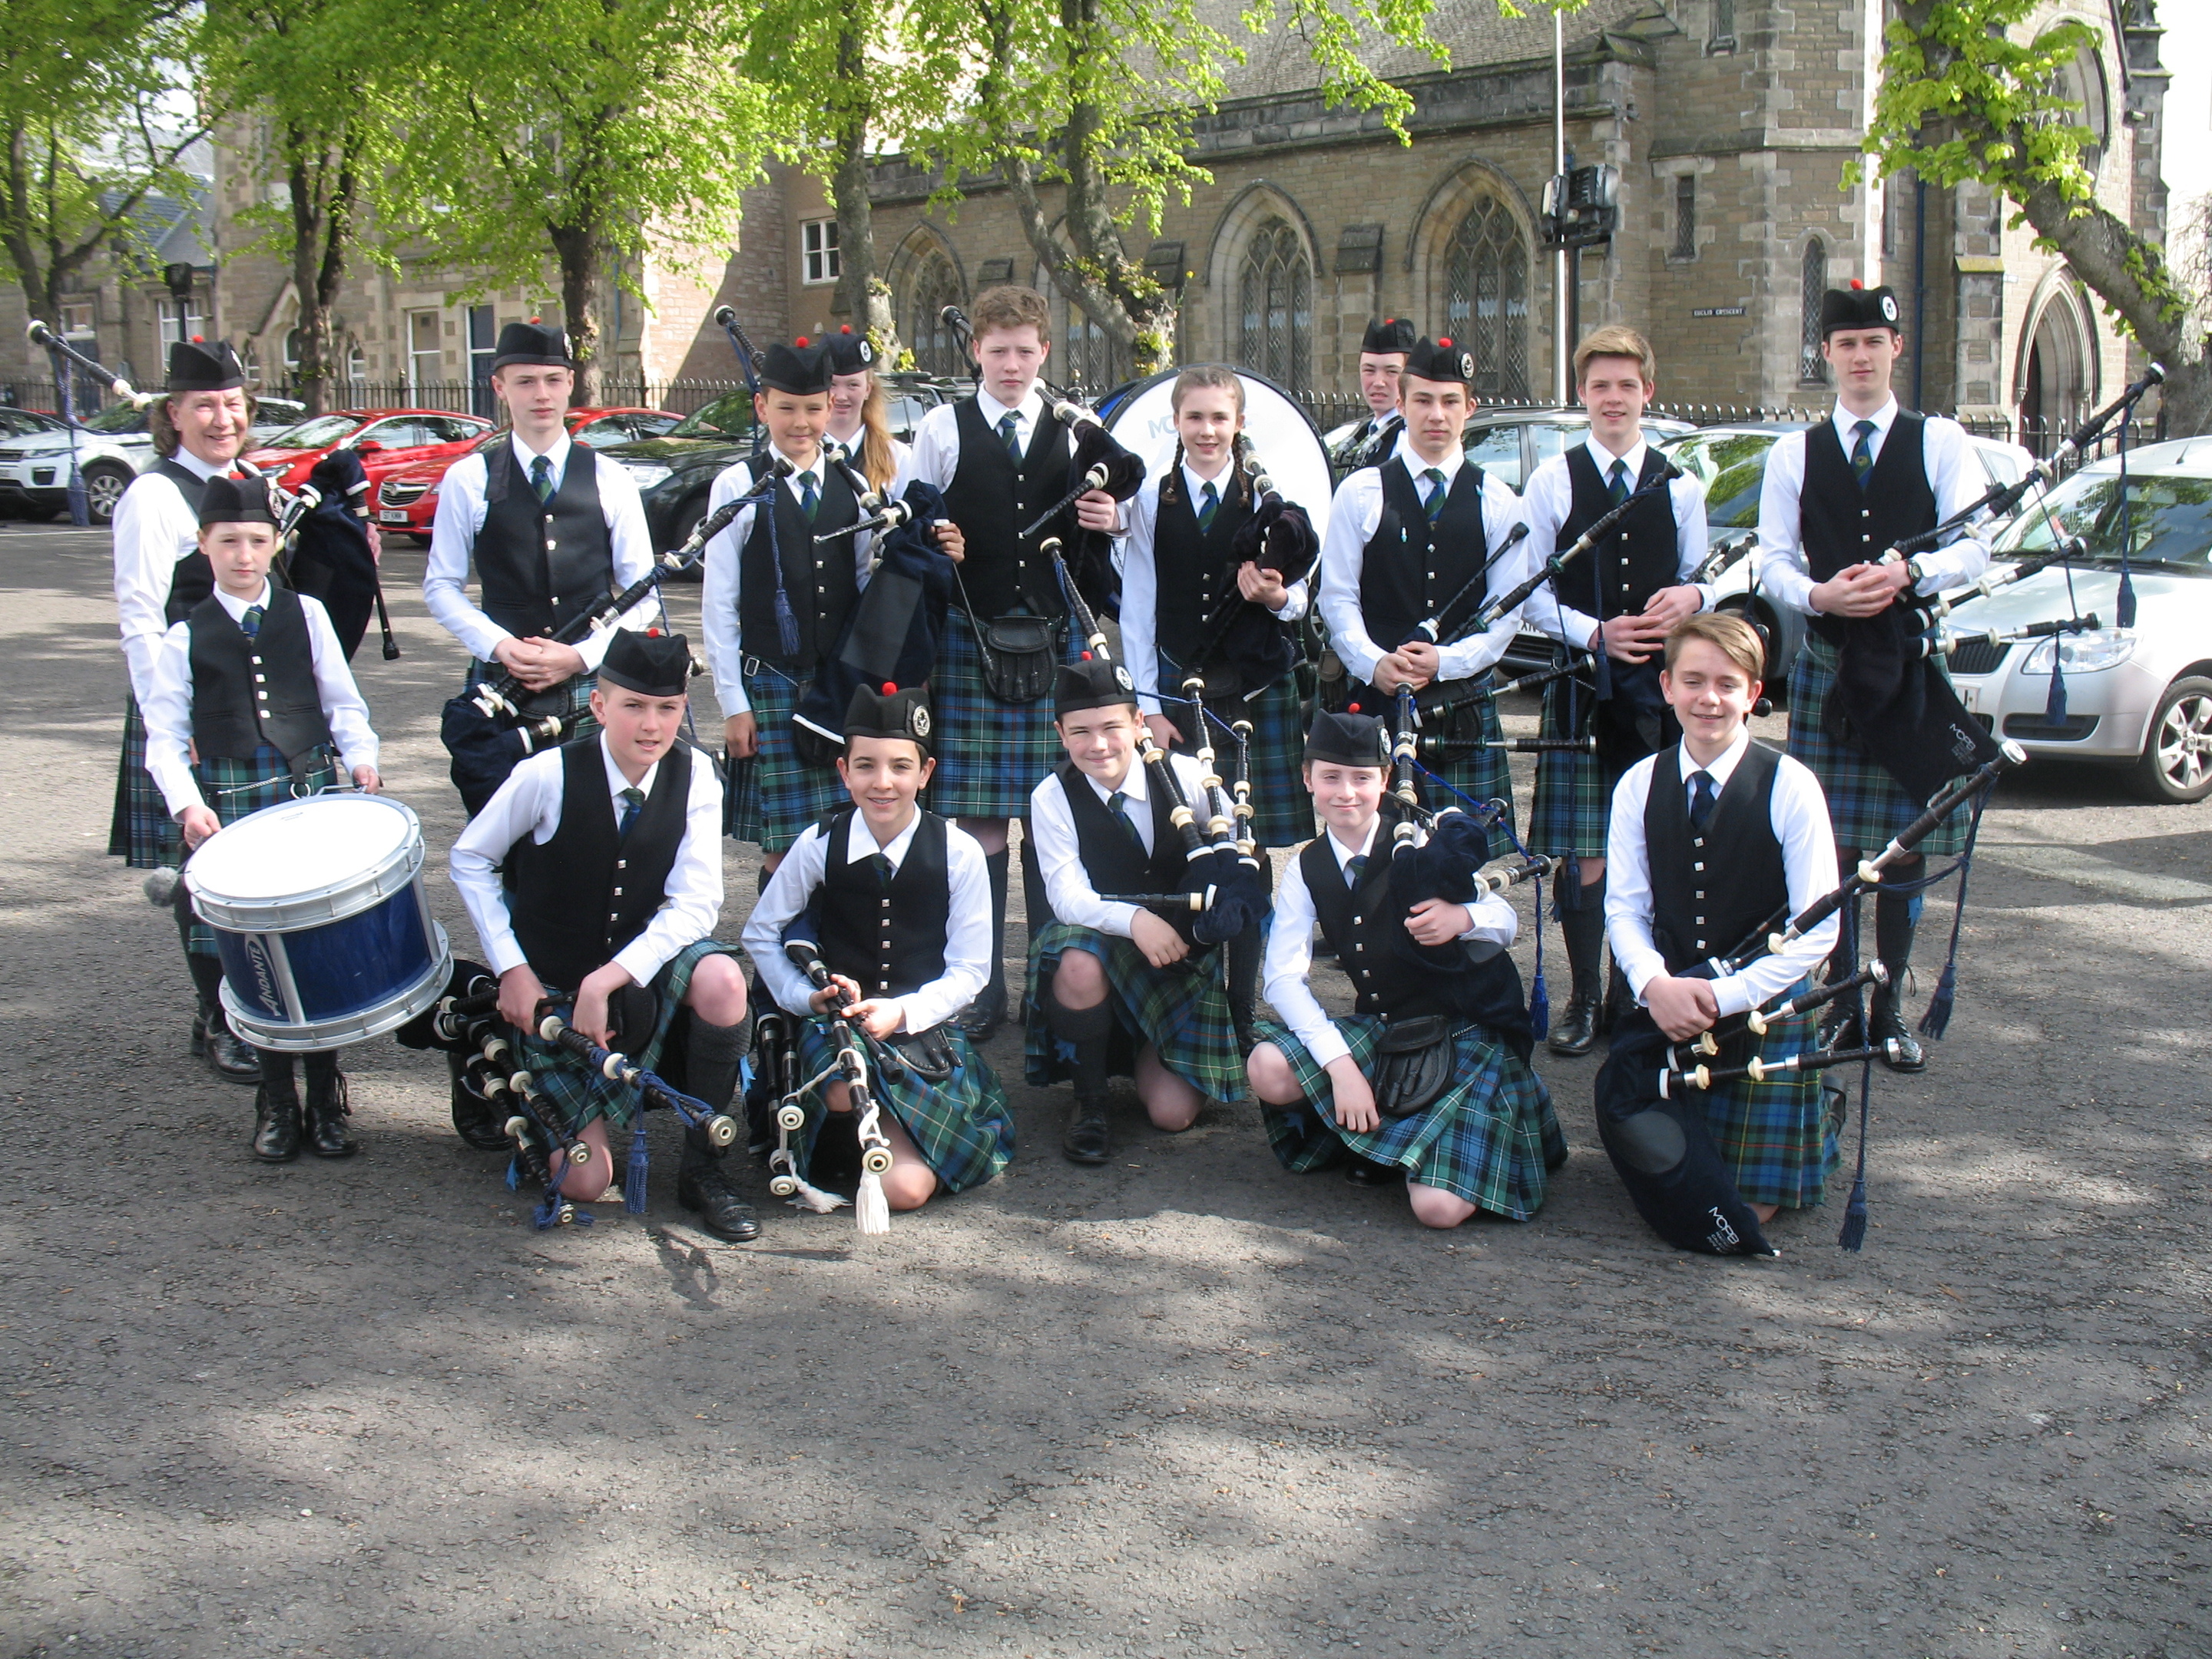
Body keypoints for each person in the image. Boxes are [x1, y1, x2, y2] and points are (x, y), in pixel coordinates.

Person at [448, 629, 757, 1242]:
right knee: (585, 1182)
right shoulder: (546, 774)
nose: (652, 725)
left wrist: (613, 976)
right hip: (552, 982)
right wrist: (513, 967)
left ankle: (704, 1165)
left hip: (633, 977)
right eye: (634, 706)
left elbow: (697, 903)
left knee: (723, 979)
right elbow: (469, 858)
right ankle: (486, 1049)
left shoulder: (695, 773)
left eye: (668, 708)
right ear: (598, 706)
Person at [1754, 282, 1993, 1071]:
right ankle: (1843, 1005)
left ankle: (1889, 1008)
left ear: (1896, 349)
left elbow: (1975, 545)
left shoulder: (1941, 442)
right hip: (1830, 664)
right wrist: (1818, 593)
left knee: (1906, 846)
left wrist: (1909, 572)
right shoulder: (1796, 453)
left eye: (1874, 343)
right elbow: (1775, 562)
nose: (1861, 357)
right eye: (1846, 344)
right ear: (1827, 355)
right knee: (1833, 847)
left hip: (1907, 666)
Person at [1246, 710, 1565, 1227]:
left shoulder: (1421, 839)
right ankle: (1391, 1139)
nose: (1345, 792)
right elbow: (1282, 979)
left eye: (1361, 778)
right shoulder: (1308, 868)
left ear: (1384, 781)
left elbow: (1504, 920)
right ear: (1307, 778)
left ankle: (1494, 1116)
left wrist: (1461, 917)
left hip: (1470, 1031)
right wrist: (1340, 1066)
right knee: (1269, 1068)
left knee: (1436, 1209)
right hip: (1391, 1028)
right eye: (1330, 777)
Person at [141, 476, 382, 1161]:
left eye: (256, 541)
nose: (244, 556)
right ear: (203, 546)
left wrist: (362, 760)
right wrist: (189, 803)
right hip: (231, 804)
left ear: (276, 541)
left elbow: (345, 704)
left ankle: (328, 1095)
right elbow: (162, 736)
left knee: (314, 946)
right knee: (253, 958)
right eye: (228, 543)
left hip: (307, 793)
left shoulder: (306, 614)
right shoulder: (182, 637)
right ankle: (276, 1097)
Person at [902, 284, 1120, 1035]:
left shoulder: (1077, 429)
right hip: (971, 634)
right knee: (982, 826)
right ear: (976, 352)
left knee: (1053, 817)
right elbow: (905, 528)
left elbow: (1124, 515)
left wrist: (1111, 518)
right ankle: (984, 985)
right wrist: (934, 539)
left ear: (1045, 351)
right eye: (998, 351)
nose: (1012, 364)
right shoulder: (940, 429)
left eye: (1026, 350)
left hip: (1056, 637)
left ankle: (1048, 986)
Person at [1601, 613, 1842, 1224]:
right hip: (1671, 1006)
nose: (1709, 698)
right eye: (1693, 681)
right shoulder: (1637, 785)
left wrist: (1724, 995)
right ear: (1666, 687)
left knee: (1739, 1210)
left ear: (1755, 695)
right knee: (1663, 1184)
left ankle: (1813, 1120)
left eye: (1728, 684)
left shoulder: (1792, 785)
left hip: (1760, 1012)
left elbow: (1820, 926)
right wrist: (1656, 986)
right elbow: (1626, 910)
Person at [742, 684, 1015, 1209]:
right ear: (844, 772)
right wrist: (803, 998)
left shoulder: (959, 853)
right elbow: (760, 933)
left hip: (920, 1032)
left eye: (900, 766)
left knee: (907, 1191)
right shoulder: (819, 843)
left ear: (925, 772)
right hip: (834, 1026)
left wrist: (902, 1012)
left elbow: (971, 970)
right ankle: (836, 1136)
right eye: (865, 766)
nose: (883, 782)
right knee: (843, 1086)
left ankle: (867, 1143)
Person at [1519, 326, 1714, 1055]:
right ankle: (1584, 998)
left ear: (1648, 393)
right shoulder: (1554, 480)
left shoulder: (1681, 483)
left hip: (1663, 696)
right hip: (1582, 683)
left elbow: (1706, 578)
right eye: (1600, 385)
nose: (1613, 398)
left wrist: (1692, 597)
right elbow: (1526, 592)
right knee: (1586, 854)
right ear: (1583, 394)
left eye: (1626, 385)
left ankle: (1637, 993)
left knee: (1653, 848)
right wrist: (1594, 632)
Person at [1114, 363, 1311, 1044]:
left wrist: (1278, 598)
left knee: (1249, 847)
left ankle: (1242, 1006)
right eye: (1195, 417)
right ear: (1175, 421)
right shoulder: (1150, 501)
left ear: (1240, 424)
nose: (1207, 430)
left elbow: (1303, 597)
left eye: (1219, 418)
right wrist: (1147, 704)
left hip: (1254, 691)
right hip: (1178, 691)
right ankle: (1191, 992)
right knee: (1191, 840)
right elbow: (1136, 609)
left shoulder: (1271, 502)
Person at [111, 337, 268, 1081]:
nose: (220, 417)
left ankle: (259, 1004)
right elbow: (141, 619)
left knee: (261, 868)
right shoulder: (155, 496)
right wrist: (168, 728)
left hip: (259, 708)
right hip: (189, 705)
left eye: (233, 404)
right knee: (206, 867)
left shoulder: (252, 482)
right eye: (204, 404)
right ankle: (217, 1017)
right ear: (172, 414)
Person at [1024, 657, 1246, 1164]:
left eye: (1111, 728)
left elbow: (1235, 865)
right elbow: (1067, 897)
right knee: (1073, 957)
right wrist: (1135, 920)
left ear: (1139, 724)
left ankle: (1149, 1044)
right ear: (1060, 733)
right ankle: (1091, 1100)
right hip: (1104, 945)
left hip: (1179, 957)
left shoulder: (1190, 779)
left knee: (1172, 1115)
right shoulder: (1052, 796)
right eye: (1080, 732)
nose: (1097, 745)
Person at [1316, 336, 1530, 856]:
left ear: (1470, 408)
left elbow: (1505, 614)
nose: (1437, 414)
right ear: (1403, 402)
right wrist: (1372, 663)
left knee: (1467, 868)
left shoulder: (1499, 502)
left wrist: (1445, 661)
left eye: (1450, 401)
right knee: (1374, 858)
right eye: (1424, 400)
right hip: (1373, 705)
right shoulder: (1361, 492)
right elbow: (1337, 597)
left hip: (1463, 707)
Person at [422, 319, 656, 770]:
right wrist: (499, 646)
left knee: (596, 822)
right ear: (499, 387)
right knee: (508, 825)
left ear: (570, 383)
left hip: (593, 680)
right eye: (525, 381)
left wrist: (580, 656)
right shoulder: (469, 478)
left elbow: (642, 590)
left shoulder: (611, 477)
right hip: (502, 679)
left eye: (552, 380)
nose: (541, 394)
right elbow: (442, 586)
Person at [702, 339, 876, 873]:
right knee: (784, 848)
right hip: (771, 681)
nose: (801, 422)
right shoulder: (737, 485)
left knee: (846, 833)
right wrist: (733, 702)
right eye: (786, 408)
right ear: (762, 407)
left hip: (838, 687)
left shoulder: (855, 483)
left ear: (831, 405)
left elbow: (869, 585)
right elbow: (719, 604)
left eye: (813, 408)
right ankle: (777, 957)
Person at [819, 326, 909, 496]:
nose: (841, 396)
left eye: (853, 385)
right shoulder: (802, 453)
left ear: (868, 389)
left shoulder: (897, 457)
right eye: (831, 385)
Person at [1331, 318, 1415, 472]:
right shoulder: (1364, 433)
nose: (1378, 382)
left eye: (1391, 372)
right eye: (1369, 370)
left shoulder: (1410, 440)